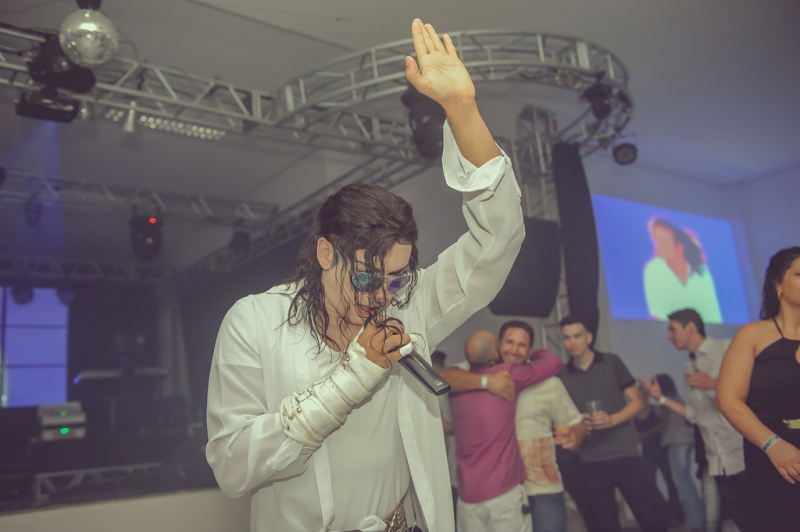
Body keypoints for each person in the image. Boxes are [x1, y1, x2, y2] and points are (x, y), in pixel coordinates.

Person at [205, 18, 525, 532]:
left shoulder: (407, 305)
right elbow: (232, 465)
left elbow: (498, 240)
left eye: (396, 278)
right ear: (326, 253)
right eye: (365, 279)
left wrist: (461, 109)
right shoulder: (255, 321)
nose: (381, 295)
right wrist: (355, 376)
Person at [639, 308, 746, 532]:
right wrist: (660, 399)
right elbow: (694, 414)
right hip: (714, 458)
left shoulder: (725, 347)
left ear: (690, 328)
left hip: (741, 452)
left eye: (672, 330)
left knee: (755, 515)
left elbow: (750, 388)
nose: (669, 336)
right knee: (715, 521)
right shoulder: (689, 366)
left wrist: (714, 383)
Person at [557, 315, 667, 532]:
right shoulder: (562, 376)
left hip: (624, 452)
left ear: (589, 337)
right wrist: (579, 423)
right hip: (590, 458)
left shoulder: (611, 362)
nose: (572, 342)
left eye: (577, 336)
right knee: (605, 524)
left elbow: (638, 402)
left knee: (649, 516)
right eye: (567, 338)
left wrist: (612, 419)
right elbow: (562, 417)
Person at [717, 247, 800, 531]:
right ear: (778, 285)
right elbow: (728, 400)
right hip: (772, 457)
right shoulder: (752, 335)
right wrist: (772, 444)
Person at [449, 330, 563, 532]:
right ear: (496, 354)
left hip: (467, 497)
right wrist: (531, 353)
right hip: (503, 494)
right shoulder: (508, 374)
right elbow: (553, 362)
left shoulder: (456, 385)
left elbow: (442, 375)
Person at [496, 320, 586, 532]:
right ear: (499, 345)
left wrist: (575, 436)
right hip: (500, 491)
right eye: (510, 342)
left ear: (530, 352)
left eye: (522, 345)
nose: (514, 350)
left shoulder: (550, 384)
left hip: (543, 488)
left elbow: (576, 422)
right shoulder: (485, 380)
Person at [651, 374, 704, 532]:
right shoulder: (676, 398)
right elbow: (688, 420)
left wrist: (645, 433)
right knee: (686, 482)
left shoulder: (666, 400)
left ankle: (694, 523)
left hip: (677, 442)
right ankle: (697, 520)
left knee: (682, 484)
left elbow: (664, 423)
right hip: (686, 440)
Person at [643, 218, 721, 323]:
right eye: (656, 241)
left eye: (663, 241)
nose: (657, 248)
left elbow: (714, 317)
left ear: (679, 246)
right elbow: (657, 317)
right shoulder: (653, 270)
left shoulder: (702, 272)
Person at [632, 383, 683, 528]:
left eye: (644, 393)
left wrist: (646, 433)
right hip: (647, 449)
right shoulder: (633, 414)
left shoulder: (655, 409)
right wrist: (641, 436)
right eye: (640, 393)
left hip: (660, 447)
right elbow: (635, 435)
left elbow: (664, 424)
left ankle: (676, 514)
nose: (643, 395)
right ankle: (664, 514)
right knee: (649, 482)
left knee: (670, 481)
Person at [431, 350, 459, 520]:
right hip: (443, 469)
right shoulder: (433, 389)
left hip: (452, 467)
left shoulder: (445, 386)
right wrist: (462, 429)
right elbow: (437, 424)